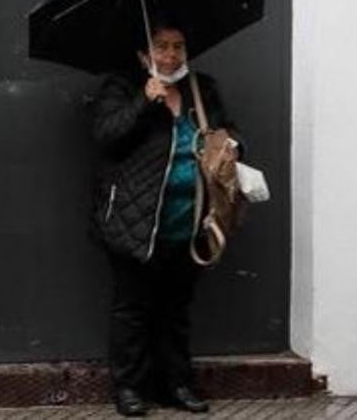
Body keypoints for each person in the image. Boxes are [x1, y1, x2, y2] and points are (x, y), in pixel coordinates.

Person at [90, 23, 239, 417]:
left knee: (176, 309)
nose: (171, 55)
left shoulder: (199, 87)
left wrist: (229, 147)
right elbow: (106, 136)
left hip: (189, 222)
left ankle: (176, 384)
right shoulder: (121, 87)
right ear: (144, 53)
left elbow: (228, 131)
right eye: (161, 47)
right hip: (135, 221)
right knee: (133, 309)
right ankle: (129, 389)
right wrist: (142, 100)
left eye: (178, 46)